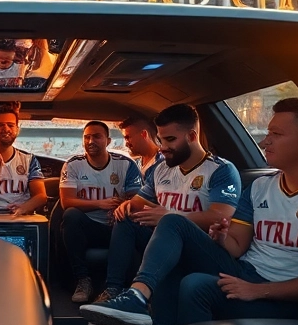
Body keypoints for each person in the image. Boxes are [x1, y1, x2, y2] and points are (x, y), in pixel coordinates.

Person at [86, 98, 298, 325]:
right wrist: (222, 239)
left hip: (292, 299)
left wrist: (257, 291)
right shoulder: (261, 186)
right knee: (174, 226)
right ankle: (147, 316)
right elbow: (237, 246)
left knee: (194, 283)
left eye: (276, 135)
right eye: (268, 134)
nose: (265, 142)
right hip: (246, 272)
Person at [89, 104, 239, 304]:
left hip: (201, 246)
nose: (162, 147)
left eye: (170, 140)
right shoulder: (161, 169)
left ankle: (139, 297)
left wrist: (170, 215)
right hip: (163, 240)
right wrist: (128, 206)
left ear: (192, 137)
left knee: (170, 221)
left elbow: (220, 216)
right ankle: (113, 290)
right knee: (126, 221)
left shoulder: (221, 170)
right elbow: (139, 201)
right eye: (160, 139)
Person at [60, 121, 143, 303]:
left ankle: (114, 288)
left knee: (127, 220)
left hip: (117, 227)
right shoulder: (73, 165)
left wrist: (121, 206)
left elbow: (137, 201)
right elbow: (67, 202)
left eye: (96, 136)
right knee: (71, 215)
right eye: (87, 137)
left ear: (108, 140)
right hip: (88, 226)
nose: (91, 141)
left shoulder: (126, 165)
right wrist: (100, 203)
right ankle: (83, 280)